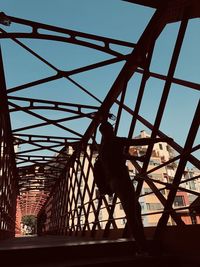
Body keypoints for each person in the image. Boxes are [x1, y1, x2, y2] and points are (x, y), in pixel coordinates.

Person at [98, 121, 173, 253]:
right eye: (111, 128)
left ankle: (141, 243)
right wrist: (161, 140)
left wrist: (137, 159)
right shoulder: (115, 141)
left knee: (135, 209)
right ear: (108, 130)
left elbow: (119, 156)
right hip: (122, 180)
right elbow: (138, 142)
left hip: (113, 182)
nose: (113, 129)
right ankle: (142, 246)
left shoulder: (104, 147)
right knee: (132, 213)